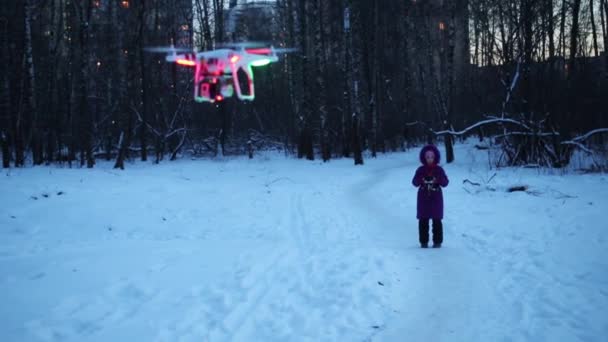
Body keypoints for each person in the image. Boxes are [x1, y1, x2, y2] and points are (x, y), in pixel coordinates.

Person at [412, 145, 449, 248]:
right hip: (423, 199)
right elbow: (414, 183)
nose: (429, 159)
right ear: (424, 158)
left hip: (436, 198)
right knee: (423, 221)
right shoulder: (420, 170)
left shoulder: (439, 170)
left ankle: (437, 242)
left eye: (431, 157)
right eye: (427, 157)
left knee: (437, 221)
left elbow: (445, 183)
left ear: (435, 157)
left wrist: (438, 179)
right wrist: (421, 178)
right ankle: (423, 242)